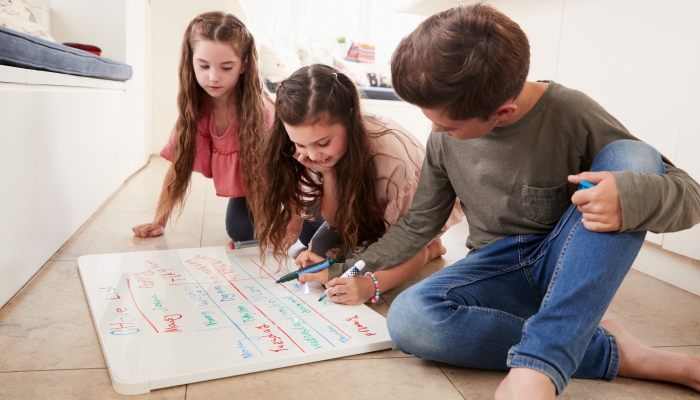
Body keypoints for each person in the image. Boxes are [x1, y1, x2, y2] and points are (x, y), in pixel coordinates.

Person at [321, 3, 700, 399]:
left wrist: (629, 195)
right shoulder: (442, 138)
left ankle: (540, 365)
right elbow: (419, 223)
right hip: (497, 269)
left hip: (567, 263)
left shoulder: (570, 112)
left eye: (447, 125)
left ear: (503, 112)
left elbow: (691, 195)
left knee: (633, 158)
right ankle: (608, 349)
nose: (434, 131)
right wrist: (346, 268)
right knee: (411, 319)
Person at [252, 64, 463, 305]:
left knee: (367, 264)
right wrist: (328, 173)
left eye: (323, 143)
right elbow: (336, 220)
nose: (312, 155)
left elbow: (410, 233)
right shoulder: (312, 153)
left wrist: (370, 283)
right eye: (300, 144)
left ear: (349, 117)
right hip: (363, 211)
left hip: (410, 220)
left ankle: (430, 251)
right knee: (321, 250)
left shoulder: (391, 156)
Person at [131, 11, 321, 245]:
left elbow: (296, 170)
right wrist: (159, 221)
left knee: (311, 232)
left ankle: (315, 208)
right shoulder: (197, 111)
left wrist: (293, 223)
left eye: (226, 68)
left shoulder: (264, 113)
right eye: (203, 65)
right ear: (191, 61)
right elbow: (177, 166)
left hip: (297, 185)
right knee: (240, 230)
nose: (213, 77)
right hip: (257, 190)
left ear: (244, 65)